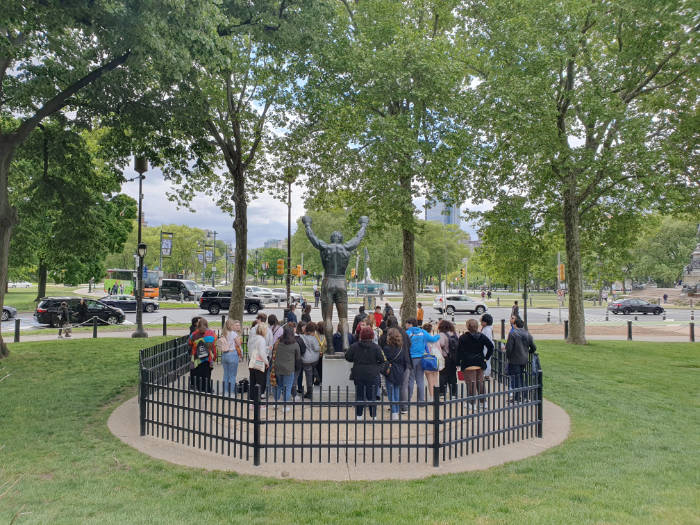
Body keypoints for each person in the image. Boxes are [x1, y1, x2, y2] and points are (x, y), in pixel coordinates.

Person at [302, 215, 369, 353]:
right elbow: (358, 237)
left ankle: (330, 347)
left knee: (327, 318)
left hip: (328, 281)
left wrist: (307, 224)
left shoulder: (325, 247)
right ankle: (345, 344)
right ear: (341, 239)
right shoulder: (347, 247)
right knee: (343, 318)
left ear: (331, 239)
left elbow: (312, 238)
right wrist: (363, 225)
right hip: (341, 282)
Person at [345, 326, 385, 420]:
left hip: (358, 373)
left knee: (359, 394)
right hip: (372, 373)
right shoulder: (376, 347)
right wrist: (377, 367)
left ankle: (359, 415)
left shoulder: (355, 346)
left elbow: (347, 357)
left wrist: (354, 359)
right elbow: (382, 359)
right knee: (372, 396)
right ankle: (373, 415)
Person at [457, 319, 494, 411]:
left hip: (468, 363)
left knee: (471, 383)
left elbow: (459, 351)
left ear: (468, 326)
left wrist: (458, 362)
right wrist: (486, 357)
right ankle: (483, 402)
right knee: (479, 382)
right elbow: (491, 346)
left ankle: (472, 403)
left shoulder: (463, 338)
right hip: (479, 362)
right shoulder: (482, 336)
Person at [404, 318, 440, 403]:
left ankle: (408, 399)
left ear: (410, 324)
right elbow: (433, 339)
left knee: (411, 379)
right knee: (420, 379)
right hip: (421, 358)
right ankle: (421, 400)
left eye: (406, 324)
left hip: (411, 358)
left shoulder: (407, 333)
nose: (405, 325)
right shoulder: (423, 332)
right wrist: (439, 335)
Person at [505, 317, 536, 402]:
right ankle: (524, 396)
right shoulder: (527, 333)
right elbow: (533, 347)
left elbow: (509, 348)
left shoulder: (513, 334)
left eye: (513, 323)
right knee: (521, 377)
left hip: (514, 359)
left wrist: (508, 357)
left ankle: (516, 397)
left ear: (515, 324)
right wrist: (527, 352)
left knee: (515, 378)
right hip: (524, 359)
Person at [381, 328, 410, 419]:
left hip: (390, 370)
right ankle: (396, 410)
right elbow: (405, 361)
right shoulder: (401, 348)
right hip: (399, 371)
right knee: (397, 391)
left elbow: (383, 360)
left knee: (390, 392)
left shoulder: (386, 348)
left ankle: (394, 411)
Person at [271, 325, 301, 407]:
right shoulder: (295, 344)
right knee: (287, 388)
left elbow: (273, 351)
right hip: (289, 369)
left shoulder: (278, 342)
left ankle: (276, 403)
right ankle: (285, 405)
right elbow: (298, 358)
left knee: (278, 386)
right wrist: (297, 368)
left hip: (277, 368)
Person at [188, 318, 217, 393]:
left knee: (198, 373)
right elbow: (214, 342)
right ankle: (207, 389)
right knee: (207, 374)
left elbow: (189, 342)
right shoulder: (211, 333)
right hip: (208, 357)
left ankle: (199, 388)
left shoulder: (194, 334)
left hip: (197, 357)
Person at [247, 322, 269, 400]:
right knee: (260, 382)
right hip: (259, 362)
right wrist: (266, 362)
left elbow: (251, 349)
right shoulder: (262, 339)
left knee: (253, 380)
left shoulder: (252, 338)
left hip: (252, 361)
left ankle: (252, 398)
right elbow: (262, 353)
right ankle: (257, 399)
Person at [221, 319, 243, 395]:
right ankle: (231, 392)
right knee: (232, 375)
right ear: (231, 325)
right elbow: (238, 344)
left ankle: (225, 391)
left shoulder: (223, 333)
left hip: (224, 355)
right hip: (232, 354)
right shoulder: (233, 334)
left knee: (226, 374)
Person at [437, 319, 458, 398]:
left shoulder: (442, 334)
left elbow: (441, 344)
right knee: (452, 375)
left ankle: (442, 392)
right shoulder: (454, 334)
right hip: (454, 358)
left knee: (443, 375)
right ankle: (454, 393)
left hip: (445, 357)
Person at [300, 322, 321, 399]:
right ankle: (318, 379)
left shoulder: (301, 337)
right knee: (314, 370)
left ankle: (309, 392)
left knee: (308, 376)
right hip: (314, 359)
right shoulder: (313, 338)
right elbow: (316, 348)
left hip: (305, 359)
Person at [422, 323, 442, 400]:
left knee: (429, 380)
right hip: (436, 360)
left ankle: (431, 397)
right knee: (436, 379)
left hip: (427, 360)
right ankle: (436, 396)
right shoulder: (435, 339)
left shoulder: (424, 339)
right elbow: (439, 350)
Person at [480, 313, 495, 378]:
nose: (481, 322)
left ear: (485, 322)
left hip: (486, 348)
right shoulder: (486, 328)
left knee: (487, 361)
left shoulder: (487, 329)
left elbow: (487, 340)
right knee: (486, 361)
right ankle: (486, 374)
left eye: (482, 321)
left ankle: (486, 375)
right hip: (486, 347)